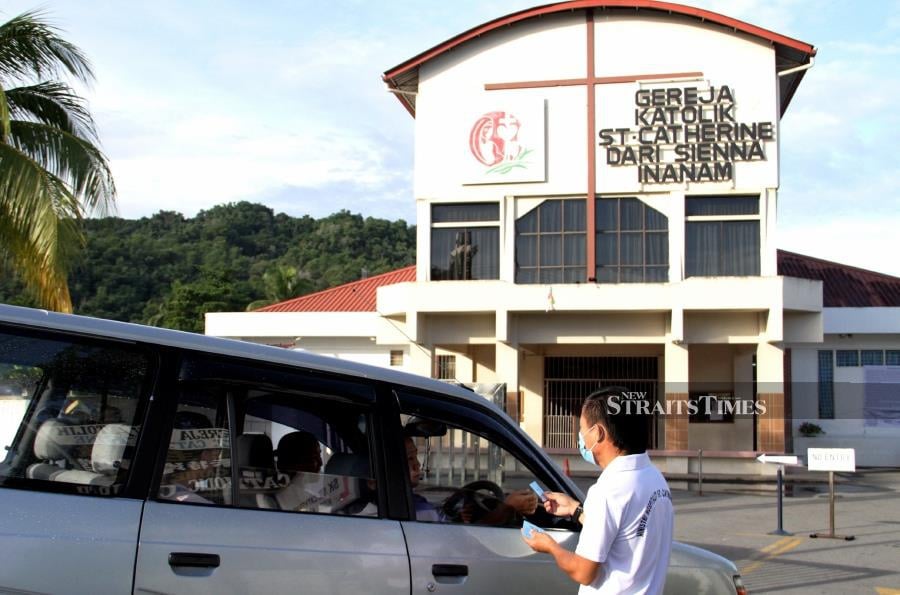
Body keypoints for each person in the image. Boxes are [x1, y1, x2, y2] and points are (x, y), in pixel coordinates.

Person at [523, 387, 673, 594]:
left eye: (582, 429)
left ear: (598, 433)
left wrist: (550, 546)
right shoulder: (655, 478)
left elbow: (583, 572)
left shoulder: (608, 489)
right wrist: (576, 510)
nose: (581, 438)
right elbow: (625, 533)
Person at [405, 435, 537, 524]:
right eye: (410, 458)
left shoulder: (411, 500)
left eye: (416, 456)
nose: (417, 464)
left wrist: (459, 519)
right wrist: (507, 508)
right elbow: (461, 543)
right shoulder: (417, 508)